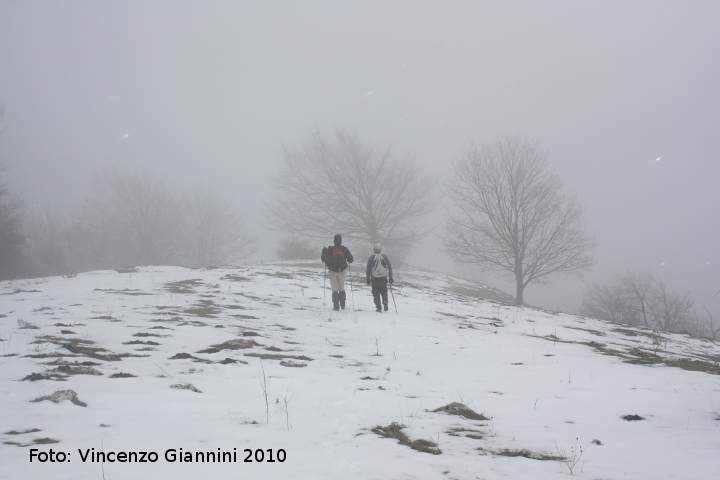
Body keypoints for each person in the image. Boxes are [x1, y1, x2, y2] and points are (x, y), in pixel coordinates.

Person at [321, 234, 354, 311]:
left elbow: (324, 260)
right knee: (341, 288)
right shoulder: (344, 249)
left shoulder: (330, 249)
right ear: (341, 240)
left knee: (334, 289)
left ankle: (336, 306)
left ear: (334, 240)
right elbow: (351, 260)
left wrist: (324, 252)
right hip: (343, 270)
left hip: (332, 271)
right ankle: (342, 305)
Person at [366, 243, 393, 312]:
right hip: (383, 278)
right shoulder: (384, 256)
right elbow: (389, 267)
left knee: (376, 293)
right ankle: (385, 302)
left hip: (375, 279)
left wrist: (368, 279)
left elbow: (368, 268)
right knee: (384, 291)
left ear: (374, 249)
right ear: (380, 249)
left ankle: (378, 307)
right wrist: (390, 277)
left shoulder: (371, 257)